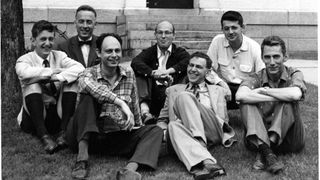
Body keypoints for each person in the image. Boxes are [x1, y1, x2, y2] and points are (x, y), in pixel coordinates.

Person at [66, 33, 164, 180]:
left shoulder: (128, 74)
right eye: (109, 51)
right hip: (86, 135)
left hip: (114, 136)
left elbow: (135, 105)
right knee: (88, 98)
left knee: (155, 130)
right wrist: (120, 102)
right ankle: (82, 160)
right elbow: (93, 88)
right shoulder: (87, 73)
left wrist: (139, 128)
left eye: (117, 51)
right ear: (99, 53)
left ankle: (129, 171)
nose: (114, 55)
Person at [157, 52, 236, 180]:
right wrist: (166, 132)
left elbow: (222, 120)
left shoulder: (218, 91)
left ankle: (199, 145)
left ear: (208, 72)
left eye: (198, 67)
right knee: (172, 125)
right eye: (191, 65)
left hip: (211, 129)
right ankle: (207, 163)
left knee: (185, 97)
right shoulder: (173, 90)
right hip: (183, 131)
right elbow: (162, 120)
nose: (193, 69)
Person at [236, 36, 306, 174]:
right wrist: (279, 94)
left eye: (276, 57)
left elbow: (295, 94)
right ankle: (268, 153)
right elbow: (239, 96)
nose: (272, 62)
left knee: (288, 100)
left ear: (285, 57)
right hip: (256, 136)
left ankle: (264, 150)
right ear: (262, 58)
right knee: (246, 102)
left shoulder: (294, 73)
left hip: (290, 139)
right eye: (267, 57)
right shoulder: (256, 77)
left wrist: (265, 92)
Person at [15, 20, 85, 154]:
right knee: (33, 86)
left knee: (72, 82)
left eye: (50, 39)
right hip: (33, 117)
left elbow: (80, 68)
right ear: (33, 40)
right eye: (43, 39)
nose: (47, 43)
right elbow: (24, 72)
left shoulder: (59, 56)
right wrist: (50, 72)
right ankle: (44, 137)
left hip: (57, 114)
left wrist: (57, 77)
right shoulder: (24, 59)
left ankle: (63, 133)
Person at [130, 20, 190, 124]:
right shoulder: (150, 52)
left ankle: (176, 117)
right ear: (155, 35)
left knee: (185, 75)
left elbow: (187, 61)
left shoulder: (179, 52)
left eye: (167, 32)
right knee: (140, 74)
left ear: (173, 35)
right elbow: (135, 62)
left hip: (172, 90)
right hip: (152, 93)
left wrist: (167, 72)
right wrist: (153, 74)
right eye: (160, 32)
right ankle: (145, 113)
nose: (163, 36)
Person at [207, 10, 265, 109]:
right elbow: (207, 69)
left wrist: (246, 88)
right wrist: (221, 83)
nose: (230, 32)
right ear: (222, 29)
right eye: (226, 28)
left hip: (246, 88)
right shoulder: (217, 41)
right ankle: (219, 122)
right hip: (224, 86)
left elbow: (262, 74)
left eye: (234, 28)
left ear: (243, 27)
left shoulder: (254, 47)